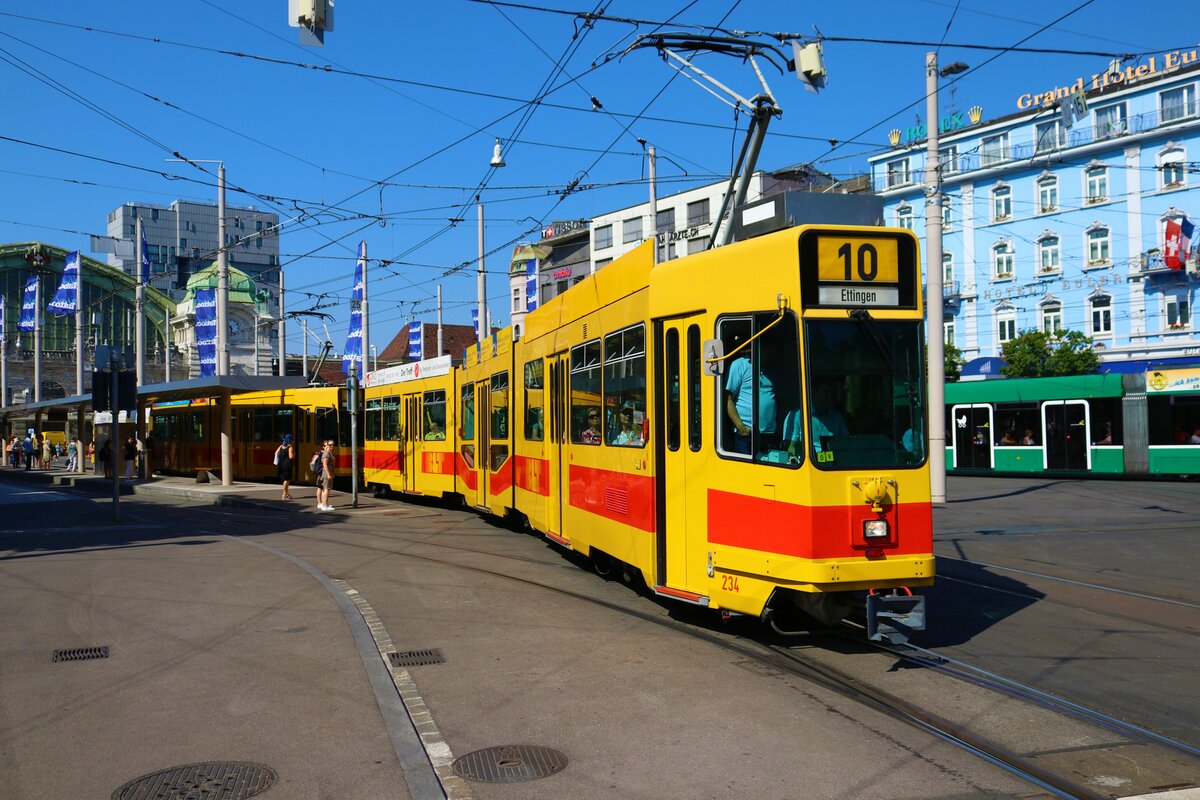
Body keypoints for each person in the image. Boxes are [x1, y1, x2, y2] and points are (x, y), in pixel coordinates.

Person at [725, 350, 777, 454]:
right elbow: (728, 399)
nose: (772, 355)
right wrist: (741, 428)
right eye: (770, 351)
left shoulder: (771, 368)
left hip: (769, 434)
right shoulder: (739, 365)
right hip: (747, 434)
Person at [810, 377, 849, 453]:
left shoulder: (837, 418)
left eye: (831, 393)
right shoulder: (797, 417)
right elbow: (791, 447)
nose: (829, 396)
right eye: (825, 392)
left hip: (834, 462)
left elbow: (846, 442)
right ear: (814, 394)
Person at [316, 439, 336, 511]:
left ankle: (326, 504)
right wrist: (328, 474)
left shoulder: (329, 452)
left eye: (333, 445)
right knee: (326, 489)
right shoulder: (326, 453)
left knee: (327, 489)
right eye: (330, 445)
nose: (332, 446)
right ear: (327, 445)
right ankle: (324, 506)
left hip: (329, 473)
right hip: (326, 473)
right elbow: (325, 464)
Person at [275, 434, 295, 500]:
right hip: (287, 465)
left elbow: (276, 452)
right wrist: (294, 454)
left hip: (281, 464)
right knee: (287, 480)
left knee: (286, 479)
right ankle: (284, 494)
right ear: (290, 440)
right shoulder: (290, 447)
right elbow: (291, 457)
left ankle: (286, 493)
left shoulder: (281, 446)